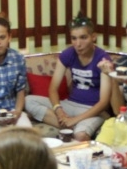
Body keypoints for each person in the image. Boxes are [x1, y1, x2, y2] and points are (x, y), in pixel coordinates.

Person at [25, 12, 111, 141]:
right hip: (69, 105)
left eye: (83, 37)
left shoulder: (103, 59)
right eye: (74, 38)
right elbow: (53, 88)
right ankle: (71, 127)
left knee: (80, 135)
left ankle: (74, 128)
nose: (78, 44)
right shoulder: (68, 54)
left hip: (92, 110)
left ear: (93, 37)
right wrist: (59, 111)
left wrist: (74, 120)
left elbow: (104, 103)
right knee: (28, 100)